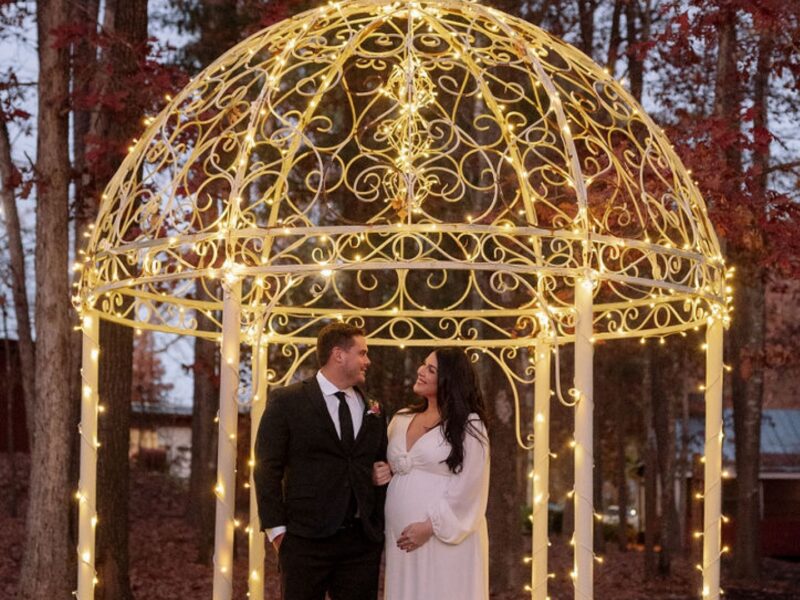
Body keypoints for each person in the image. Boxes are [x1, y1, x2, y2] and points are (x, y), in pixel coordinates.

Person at [254, 322, 388, 600]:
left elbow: (376, 460)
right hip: (305, 541)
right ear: (338, 355)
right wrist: (277, 532)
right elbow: (267, 469)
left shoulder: (374, 407)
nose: (368, 361)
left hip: (360, 543)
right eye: (362, 353)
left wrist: (377, 477)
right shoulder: (287, 401)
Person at [373, 347, 490, 600]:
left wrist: (429, 526)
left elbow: (471, 486)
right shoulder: (401, 419)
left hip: (445, 537)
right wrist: (382, 471)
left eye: (431, 369)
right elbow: (395, 465)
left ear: (450, 379)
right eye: (423, 365)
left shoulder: (469, 425)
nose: (420, 371)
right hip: (401, 540)